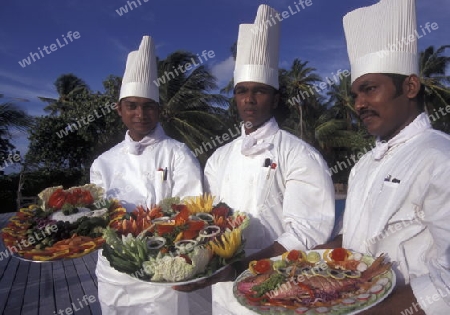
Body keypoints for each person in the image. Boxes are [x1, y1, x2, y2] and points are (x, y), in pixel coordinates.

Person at [173, 5, 335, 314]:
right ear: (234, 97)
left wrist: (243, 268)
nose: (249, 99)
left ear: (274, 98)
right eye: (242, 91)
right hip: (222, 295)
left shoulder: (299, 154)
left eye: (259, 91)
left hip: (279, 290)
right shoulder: (219, 158)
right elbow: (210, 218)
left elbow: (308, 232)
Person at [317, 0, 450, 314]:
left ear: (410, 86)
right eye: (356, 94)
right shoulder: (363, 166)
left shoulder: (439, 158)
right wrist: (291, 265)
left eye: (370, 89)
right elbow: (352, 244)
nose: (359, 104)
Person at [90, 35, 205, 315]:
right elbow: (97, 217)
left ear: (158, 110)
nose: (140, 113)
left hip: (162, 272)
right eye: (132, 105)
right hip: (115, 274)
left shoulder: (178, 153)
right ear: (119, 109)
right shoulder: (103, 162)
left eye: (148, 106)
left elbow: (193, 210)